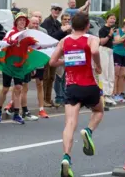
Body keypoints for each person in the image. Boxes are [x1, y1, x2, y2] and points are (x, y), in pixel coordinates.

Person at [48, 12, 104, 177]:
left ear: (71, 25)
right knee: (99, 111)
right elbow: (94, 51)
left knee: (70, 123)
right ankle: (88, 130)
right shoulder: (91, 38)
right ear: (87, 26)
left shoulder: (64, 41)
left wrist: (66, 60)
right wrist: (98, 66)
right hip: (89, 85)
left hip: (72, 87)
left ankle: (66, 157)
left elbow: (52, 62)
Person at [0, 12, 31, 125]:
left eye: (24, 20)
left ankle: (16, 114)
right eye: (20, 20)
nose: (22, 22)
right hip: (9, 64)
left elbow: (33, 47)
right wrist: (10, 42)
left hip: (20, 65)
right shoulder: (11, 32)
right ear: (16, 22)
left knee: (18, 88)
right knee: (5, 89)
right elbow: (3, 43)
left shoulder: (27, 34)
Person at [41, 4, 71, 108]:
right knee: (46, 76)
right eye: (55, 9)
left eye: (59, 10)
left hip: (55, 52)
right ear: (51, 10)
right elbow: (50, 37)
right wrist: (62, 31)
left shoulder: (57, 23)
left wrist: (66, 32)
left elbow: (60, 39)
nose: (57, 11)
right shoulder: (47, 22)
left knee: (52, 77)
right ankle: (44, 99)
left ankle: (48, 99)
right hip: (47, 52)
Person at [98, 14, 117, 106]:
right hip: (103, 50)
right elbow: (101, 42)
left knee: (111, 73)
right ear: (107, 20)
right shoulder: (103, 29)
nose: (112, 20)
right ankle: (104, 94)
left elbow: (113, 42)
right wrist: (109, 35)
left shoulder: (112, 30)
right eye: (111, 18)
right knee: (104, 72)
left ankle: (109, 93)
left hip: (110, 50)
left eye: (114, 19)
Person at [112, 18, 125, 103]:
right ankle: (114, 94)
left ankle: (120, 94)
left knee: (122, 75)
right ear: (123, 24)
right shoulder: (117, 31)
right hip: (116, 53)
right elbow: (117, 40)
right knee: (116, 74)